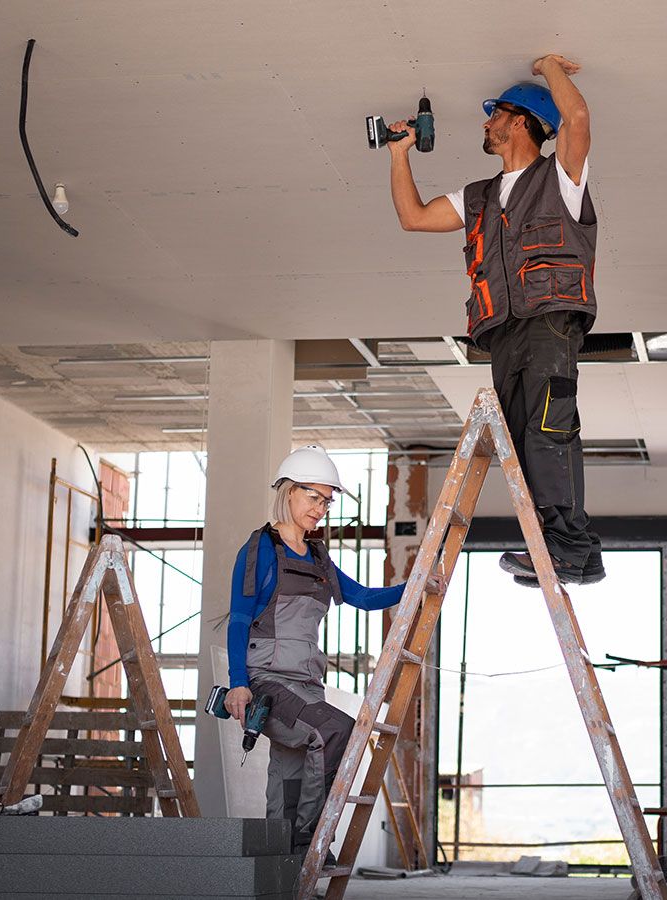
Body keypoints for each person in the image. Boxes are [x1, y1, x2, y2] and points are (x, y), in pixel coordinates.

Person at [385, 53, 604, 587]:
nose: (486, 123)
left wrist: (550, 68)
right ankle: (572, 550)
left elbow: (576, 121)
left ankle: (568, 547)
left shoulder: (562, 176)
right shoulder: (478, 197)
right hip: (503, 331)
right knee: (521, 444)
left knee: (548, 430)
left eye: (495, 114)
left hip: (551, 320)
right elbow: (414, 218)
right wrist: (399, 155)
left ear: (522, 122)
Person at [224, 445, 443, 856]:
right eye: (313, 496)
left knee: (288, 777)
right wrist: (239, 683)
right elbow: (239, 619)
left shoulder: (319, 557)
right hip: (268, 680)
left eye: (327, 500)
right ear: (289, 492)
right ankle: (312, 839)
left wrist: (415, 588)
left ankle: (284, 864)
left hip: (307, 684)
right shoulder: (260, 551)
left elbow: (361, 596)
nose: (321, 507)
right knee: (337, 731)